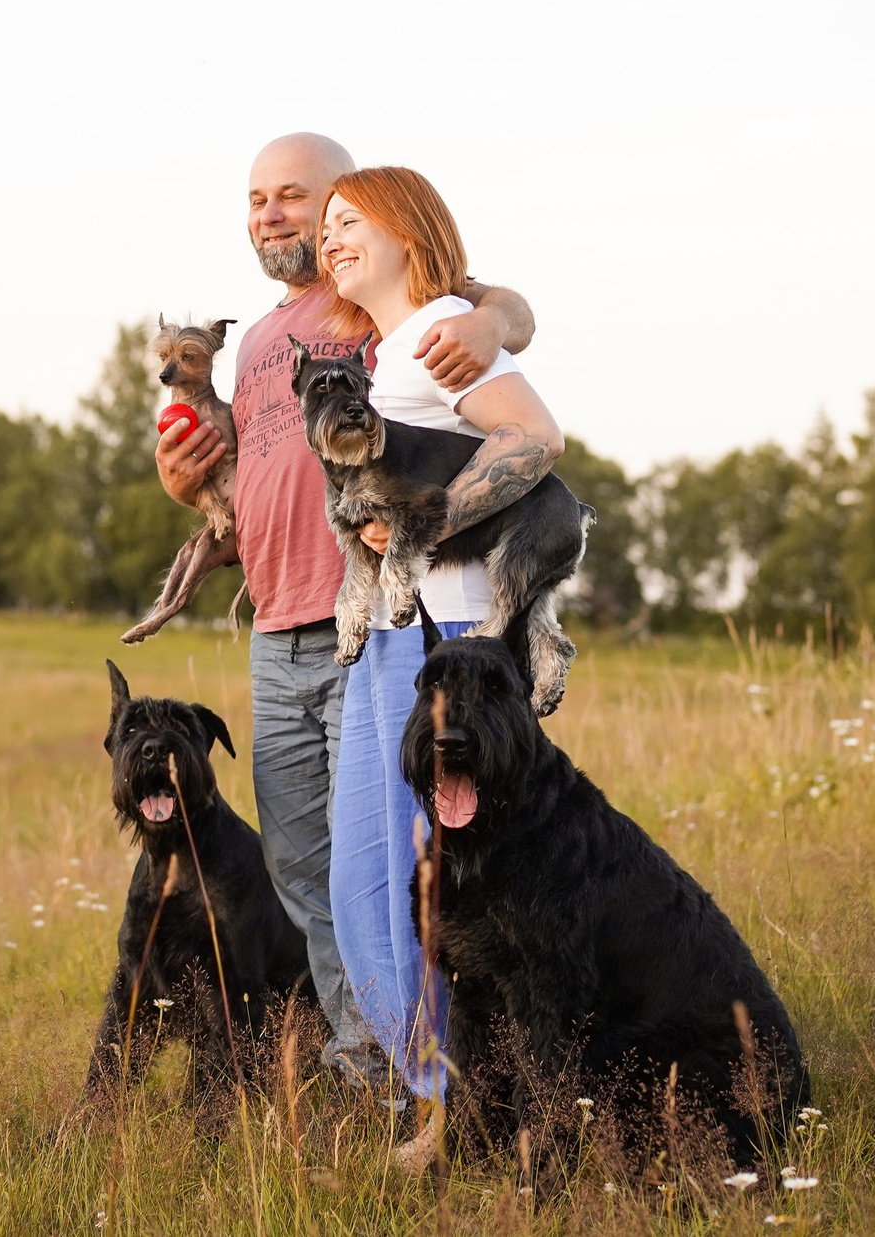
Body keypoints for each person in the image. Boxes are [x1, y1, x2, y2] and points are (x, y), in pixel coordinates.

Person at [154, 133, 538, 1087]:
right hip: (275, 623)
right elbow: (271, 475)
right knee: (312, 872)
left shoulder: (373, 301)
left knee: (406, 859)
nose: (276, 217)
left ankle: (443, 1069)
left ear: (345, 209)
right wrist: (186, 488)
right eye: (258, 201)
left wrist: (492, 325)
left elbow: (495, 306)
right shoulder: (251, 345)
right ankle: (371, 1062)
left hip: (364, 620)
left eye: (298, 198)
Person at [315, 165, 564, 1122]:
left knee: (434, 885)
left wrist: (424, 527)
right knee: (367, 883)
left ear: (409, 233)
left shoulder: (435, 333)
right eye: (326, 223)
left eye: (351, 221)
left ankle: (462, 1106)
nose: (334, 237)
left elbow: (534, 436)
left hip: (454, 635)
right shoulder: (385, 356)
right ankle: (438, 1092)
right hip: (393, 635)